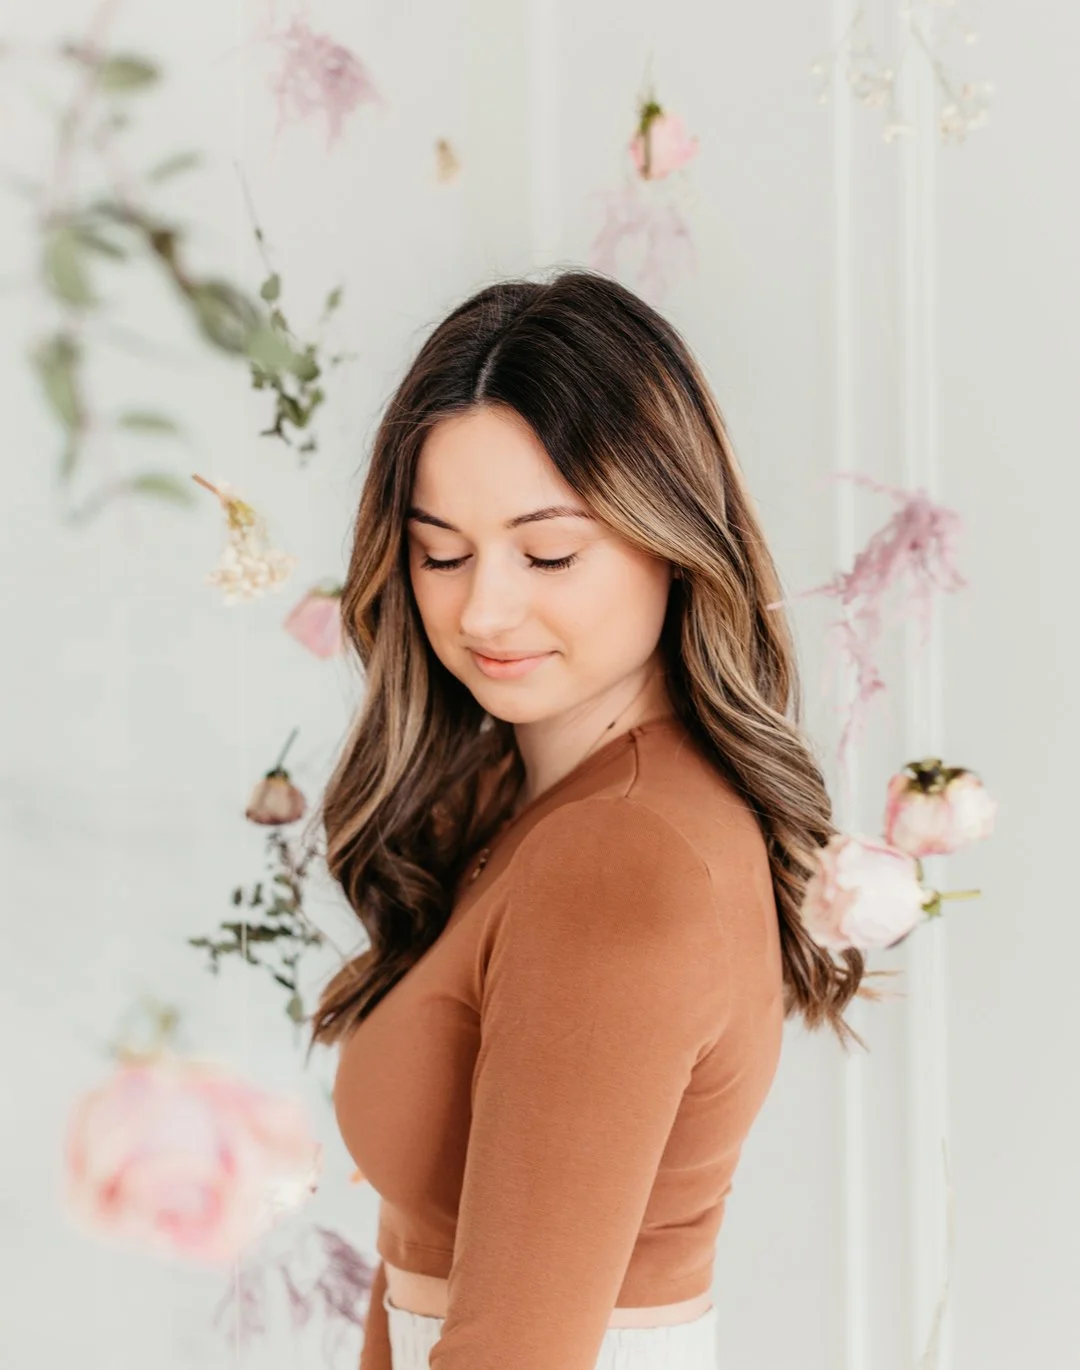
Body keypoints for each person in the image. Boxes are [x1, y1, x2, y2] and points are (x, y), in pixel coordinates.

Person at [308, 270, 870, 1370]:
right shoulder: (516, 807)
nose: (484, 608)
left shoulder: (619, 854)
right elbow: (418, 1266)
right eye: (441, 551)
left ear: (671, 533)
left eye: (548, 551)